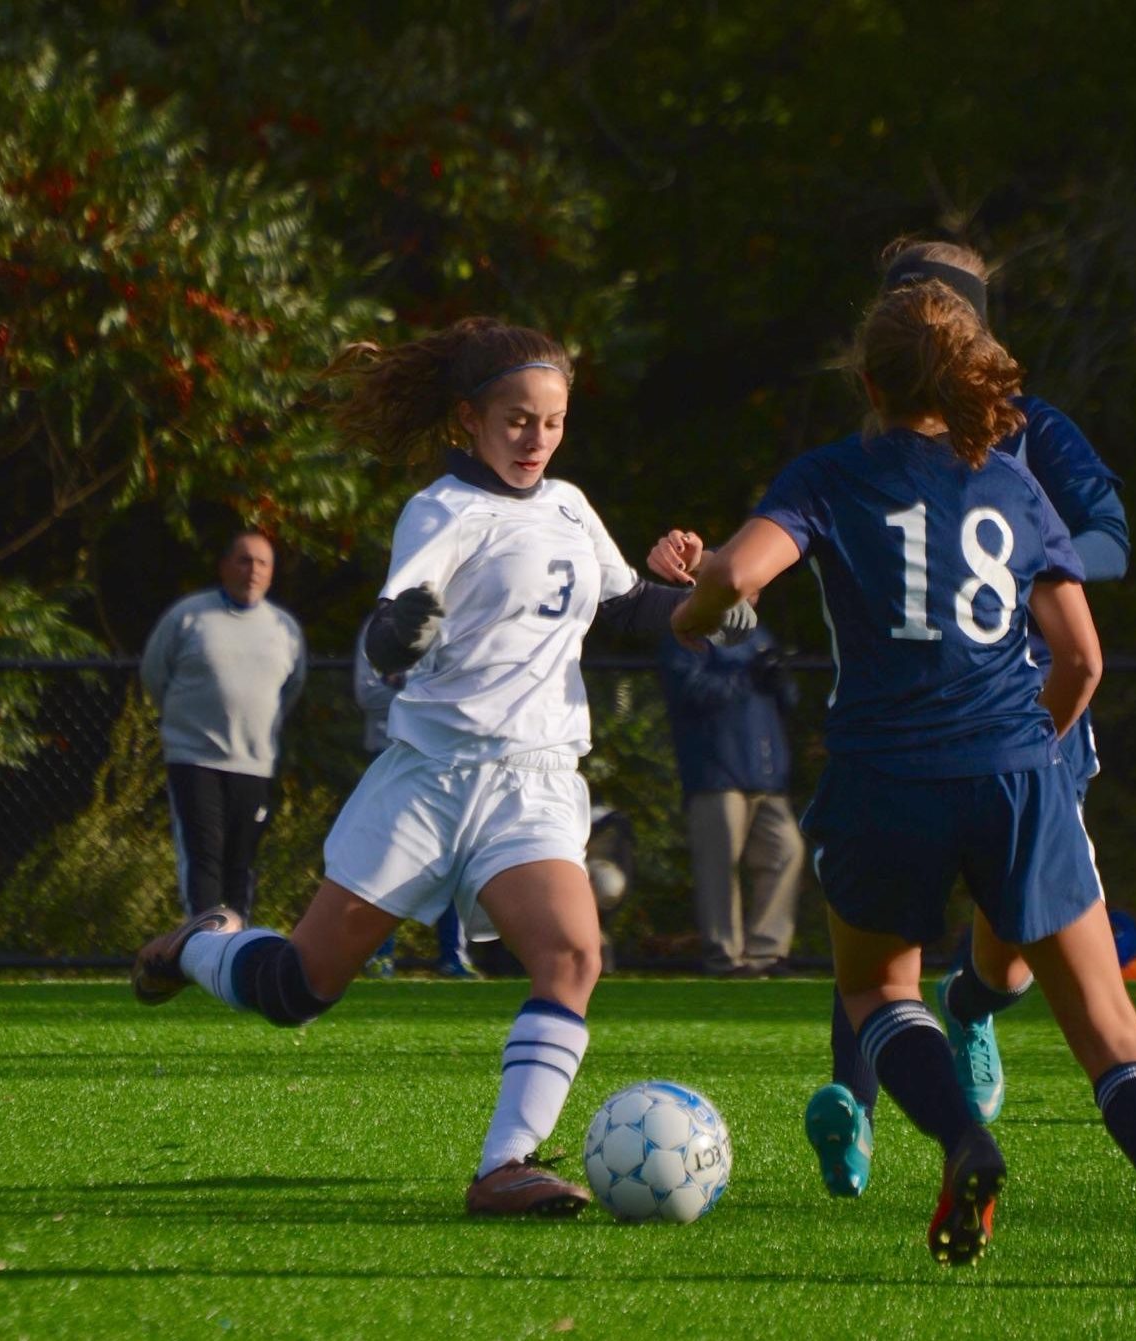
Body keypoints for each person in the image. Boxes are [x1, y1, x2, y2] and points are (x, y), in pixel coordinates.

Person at [662, 279, 1136, 1285]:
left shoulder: (829, 475)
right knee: (1110, 1029)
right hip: (1015, 773)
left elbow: (735, 584)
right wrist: (1027, 754)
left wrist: (695, 608)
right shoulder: (1017, 488)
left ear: (867, 376)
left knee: (877, 989)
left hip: (887, 776)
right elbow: (1083, 661)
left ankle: (963, 1141)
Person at [130, 316, 754, 1218]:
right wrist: (399, 632)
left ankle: (506, 1163)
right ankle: (195, 945)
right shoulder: (440, 511)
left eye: (552, 420)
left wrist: (709, 600)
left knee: (574, 954)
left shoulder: (572, 506)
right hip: (429, 780)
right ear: (468, 418)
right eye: (515, 420)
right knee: (296, 992)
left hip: (533, 782)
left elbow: (632, 608)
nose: (535, 438)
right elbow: (393, 628)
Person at [650, 236, 1131, 1195]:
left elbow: (1108, 540)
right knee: (870, 915)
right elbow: (768, 562)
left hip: (1030, 712)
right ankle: (855, 1106)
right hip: (923, 724)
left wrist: (1030, 570)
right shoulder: (869, 451)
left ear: (970, 327)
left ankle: (976, 1010)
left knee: (1007, 940)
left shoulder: (1030, 432)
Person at [139, 531, 306, 919]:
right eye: (244, 560)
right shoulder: (189, 616)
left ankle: (237, 946)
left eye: (262, 563)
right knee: (204, 858)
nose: (252, 571)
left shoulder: (284, 629)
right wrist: (189, 724)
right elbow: (154, 674)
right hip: (194, 760)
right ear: (225, 566)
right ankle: (204, 945)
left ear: (272, 573)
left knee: (240, 861)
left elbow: (291, 688)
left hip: (254, 764)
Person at [658, 625, 805, 976]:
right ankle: (724, 957)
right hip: (716, 772)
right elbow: (688, 691)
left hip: (766, 772)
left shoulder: (760, 636)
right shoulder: (690, 631)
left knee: (786, 851)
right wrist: (747, 677)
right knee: (718, 865)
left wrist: (779, 678)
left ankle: (766, 954)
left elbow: (789, 699)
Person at [352, 626, 479, 979]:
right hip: (391, 754)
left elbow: (469, 695)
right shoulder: (379, 625)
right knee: (386, 855)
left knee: (454, 855)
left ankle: (453, 954)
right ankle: (380, 954)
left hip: (447, 756)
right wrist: (427, 694)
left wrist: (407, 687)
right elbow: (368, 695)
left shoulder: (463, 620)